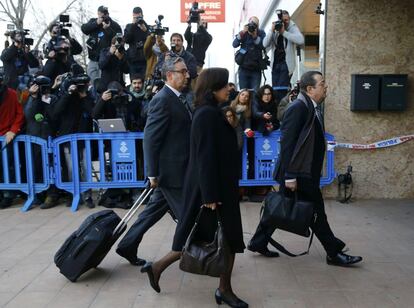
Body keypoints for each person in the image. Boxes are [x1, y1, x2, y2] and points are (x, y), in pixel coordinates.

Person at [140, 67, 247, 308]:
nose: (229, 89)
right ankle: (224, 290)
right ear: (212, 89)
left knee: (210, 238)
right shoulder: (206, 114)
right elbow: (204, 156)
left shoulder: (215, 112)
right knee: (218, 239)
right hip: (211, 190)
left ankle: (158, 268)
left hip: (219, 187)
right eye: (224, 85)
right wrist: (209, 194)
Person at [248, 71, 363, 267]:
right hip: (298, 173)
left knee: (280, 206)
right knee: (316, 212)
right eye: (322, 83)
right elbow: (288, 144)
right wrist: (291, 175)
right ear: (310, 89)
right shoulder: (298, 108)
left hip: (303, 172)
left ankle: (258, 242)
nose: (326, 87)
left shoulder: (311, 106)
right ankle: (333, 253)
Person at [116, 57, 191, 266]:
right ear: (169, 75)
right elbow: (151, 138)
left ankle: (127, 245)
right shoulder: (162, 100)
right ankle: (199, 254)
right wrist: (152, 173)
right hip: (170, 173)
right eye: (182, 71)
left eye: (186, 71)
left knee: (151, 213)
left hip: (176, 170)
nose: (187, 75)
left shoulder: (178, 98)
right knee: (188, 215)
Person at [263, 10, 304, 100]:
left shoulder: (292, 27)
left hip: (286, 64)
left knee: (283, 90)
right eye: (283, 20)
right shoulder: (276, 27)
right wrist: (271, 30)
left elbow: (300, 40)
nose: (285, 22)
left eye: (287, 20)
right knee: (275, 90)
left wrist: (284, 32)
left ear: (289, 19)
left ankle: (283, 109)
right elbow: (265, 44)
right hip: (275, 64)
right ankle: (278, 108)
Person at [0, 71, 25, 209]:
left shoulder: (11, 94)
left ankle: (8, 194)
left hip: (7, 136)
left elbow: (19, 114)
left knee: (7, 166)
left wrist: (13, 130)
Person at [81, 6, 122, 85]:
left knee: (103, 84)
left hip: (107, 60)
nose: (103, 16)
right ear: (98, 13)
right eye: (101, 14)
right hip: (93, 58)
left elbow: (119, 39)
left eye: (105, 14)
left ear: (108, 14)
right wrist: (96, 23)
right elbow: (84, 29)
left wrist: (108, 29)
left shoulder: (114, 25)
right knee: (93, 84)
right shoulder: (94, 21)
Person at [232, 16, 266, 91]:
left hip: (256, 69)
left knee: (255, 94)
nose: (252, 26)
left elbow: (263, 46)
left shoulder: (261, 33)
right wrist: (242, 33)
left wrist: (255, 36)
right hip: (243, 68)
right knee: (243, 93)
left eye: (255, 24)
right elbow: (234, 44)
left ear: (258, 26)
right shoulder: (244, 33)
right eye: (251, 23)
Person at [124, 7, 149, 77]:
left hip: (145, 60)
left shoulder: (147, 27)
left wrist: (145, 31)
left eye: (139, 17)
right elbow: (126, 40)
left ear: (142, 16)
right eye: (135, 17)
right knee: (134, 82)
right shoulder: (129, 26)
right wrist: (132, 25)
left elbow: (152, 42)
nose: (137, 19)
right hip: (133, 60)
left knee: (145, 83)